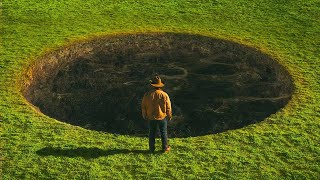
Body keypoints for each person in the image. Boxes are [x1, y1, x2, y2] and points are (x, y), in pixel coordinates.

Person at [141, 75, 172, 153]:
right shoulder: (164, 95)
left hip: (151, 117)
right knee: (163, 132)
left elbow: (143, 106)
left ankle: (151, 149)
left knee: (152, 133)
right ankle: (165, 148)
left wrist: (144, 115)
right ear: (160, 85)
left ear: (152, 85)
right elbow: (168, 107)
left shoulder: (147, 95)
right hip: (162, 117)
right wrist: (169, 115)